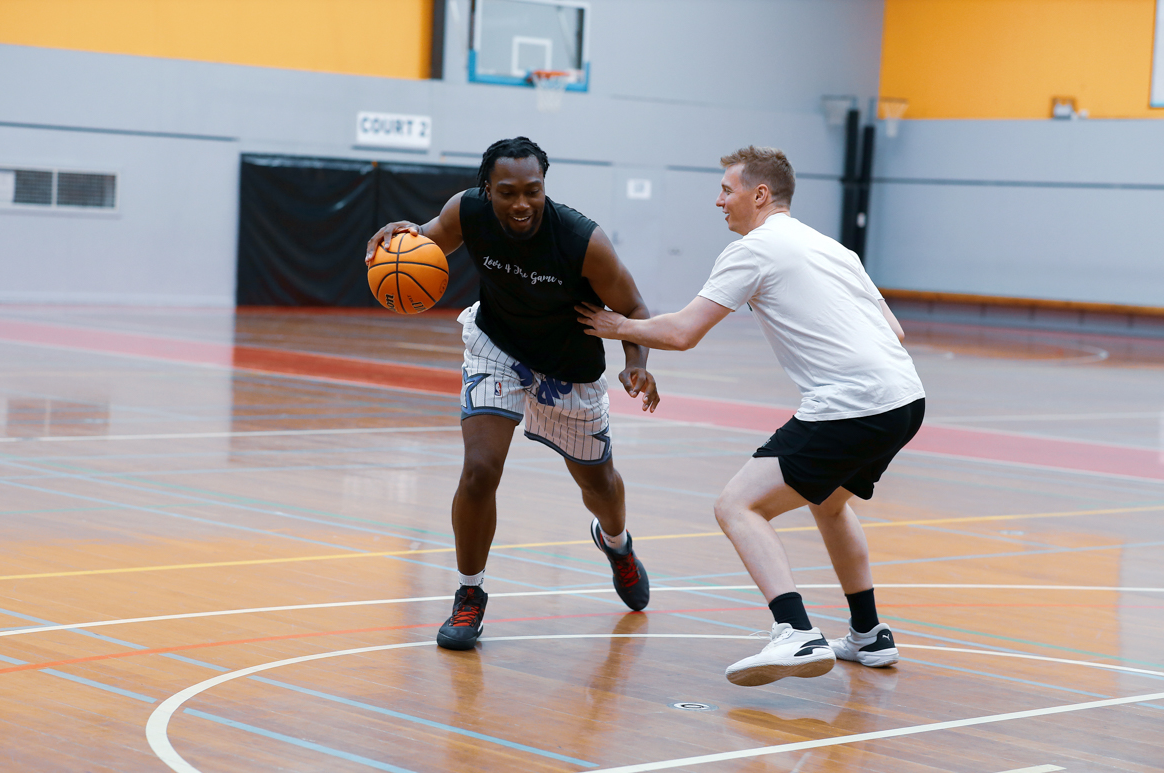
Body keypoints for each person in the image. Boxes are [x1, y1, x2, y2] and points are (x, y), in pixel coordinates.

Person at [577, 145, 925, 686]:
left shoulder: (755, 249)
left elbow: (682, 333)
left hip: (850, 405)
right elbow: (895, 332)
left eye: (727, 189)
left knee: (736, 504)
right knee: (831, 504)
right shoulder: (835, 249)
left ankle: (795, 632)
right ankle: (868, 634)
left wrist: (616, 326)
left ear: (759, 195)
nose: (718, 200)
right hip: (905, 399)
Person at [367, 136, 660, 651]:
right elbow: (426, 241)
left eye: (533, 191)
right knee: (480, 469)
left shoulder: (580, 240)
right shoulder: (467, 211)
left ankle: (617, 543)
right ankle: (470, 595)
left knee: (601, 488)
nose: (521, 203)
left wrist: (635, 364)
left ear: (545, 187)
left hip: (570, 364)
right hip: (496, 345)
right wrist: (400, 236)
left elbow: (636, 309)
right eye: (508, 192)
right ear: (488, 190)